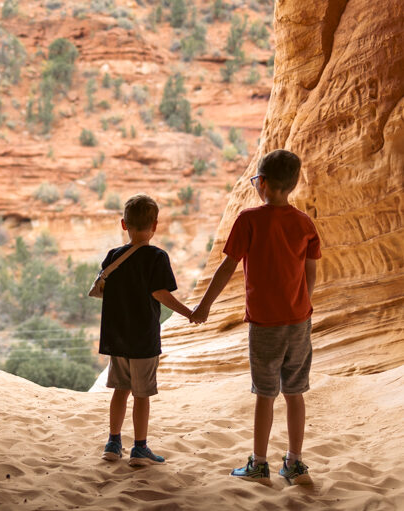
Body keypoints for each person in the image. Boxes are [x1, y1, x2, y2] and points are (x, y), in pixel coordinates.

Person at [190, 149, 321, 486]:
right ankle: (294, 462)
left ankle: (259, 463)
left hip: (265, 323)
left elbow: (227, 266)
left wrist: (204, 306)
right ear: (291, 185)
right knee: (295, 392)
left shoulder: (249, 220)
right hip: (298, 320)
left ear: (262, 182)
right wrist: (302, 304)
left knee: (265, 393)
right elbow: (310, 273)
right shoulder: (305, 223)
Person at [99, 194, 193, 466]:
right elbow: (160, 293)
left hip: (116, 337)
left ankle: (113, 443)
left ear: (123, 224)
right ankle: (140, 448)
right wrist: (188, 313)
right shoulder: (157, 257)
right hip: (143, 338)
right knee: (141, 395)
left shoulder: (112, 256)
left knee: (120, 390)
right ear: (155, 224)